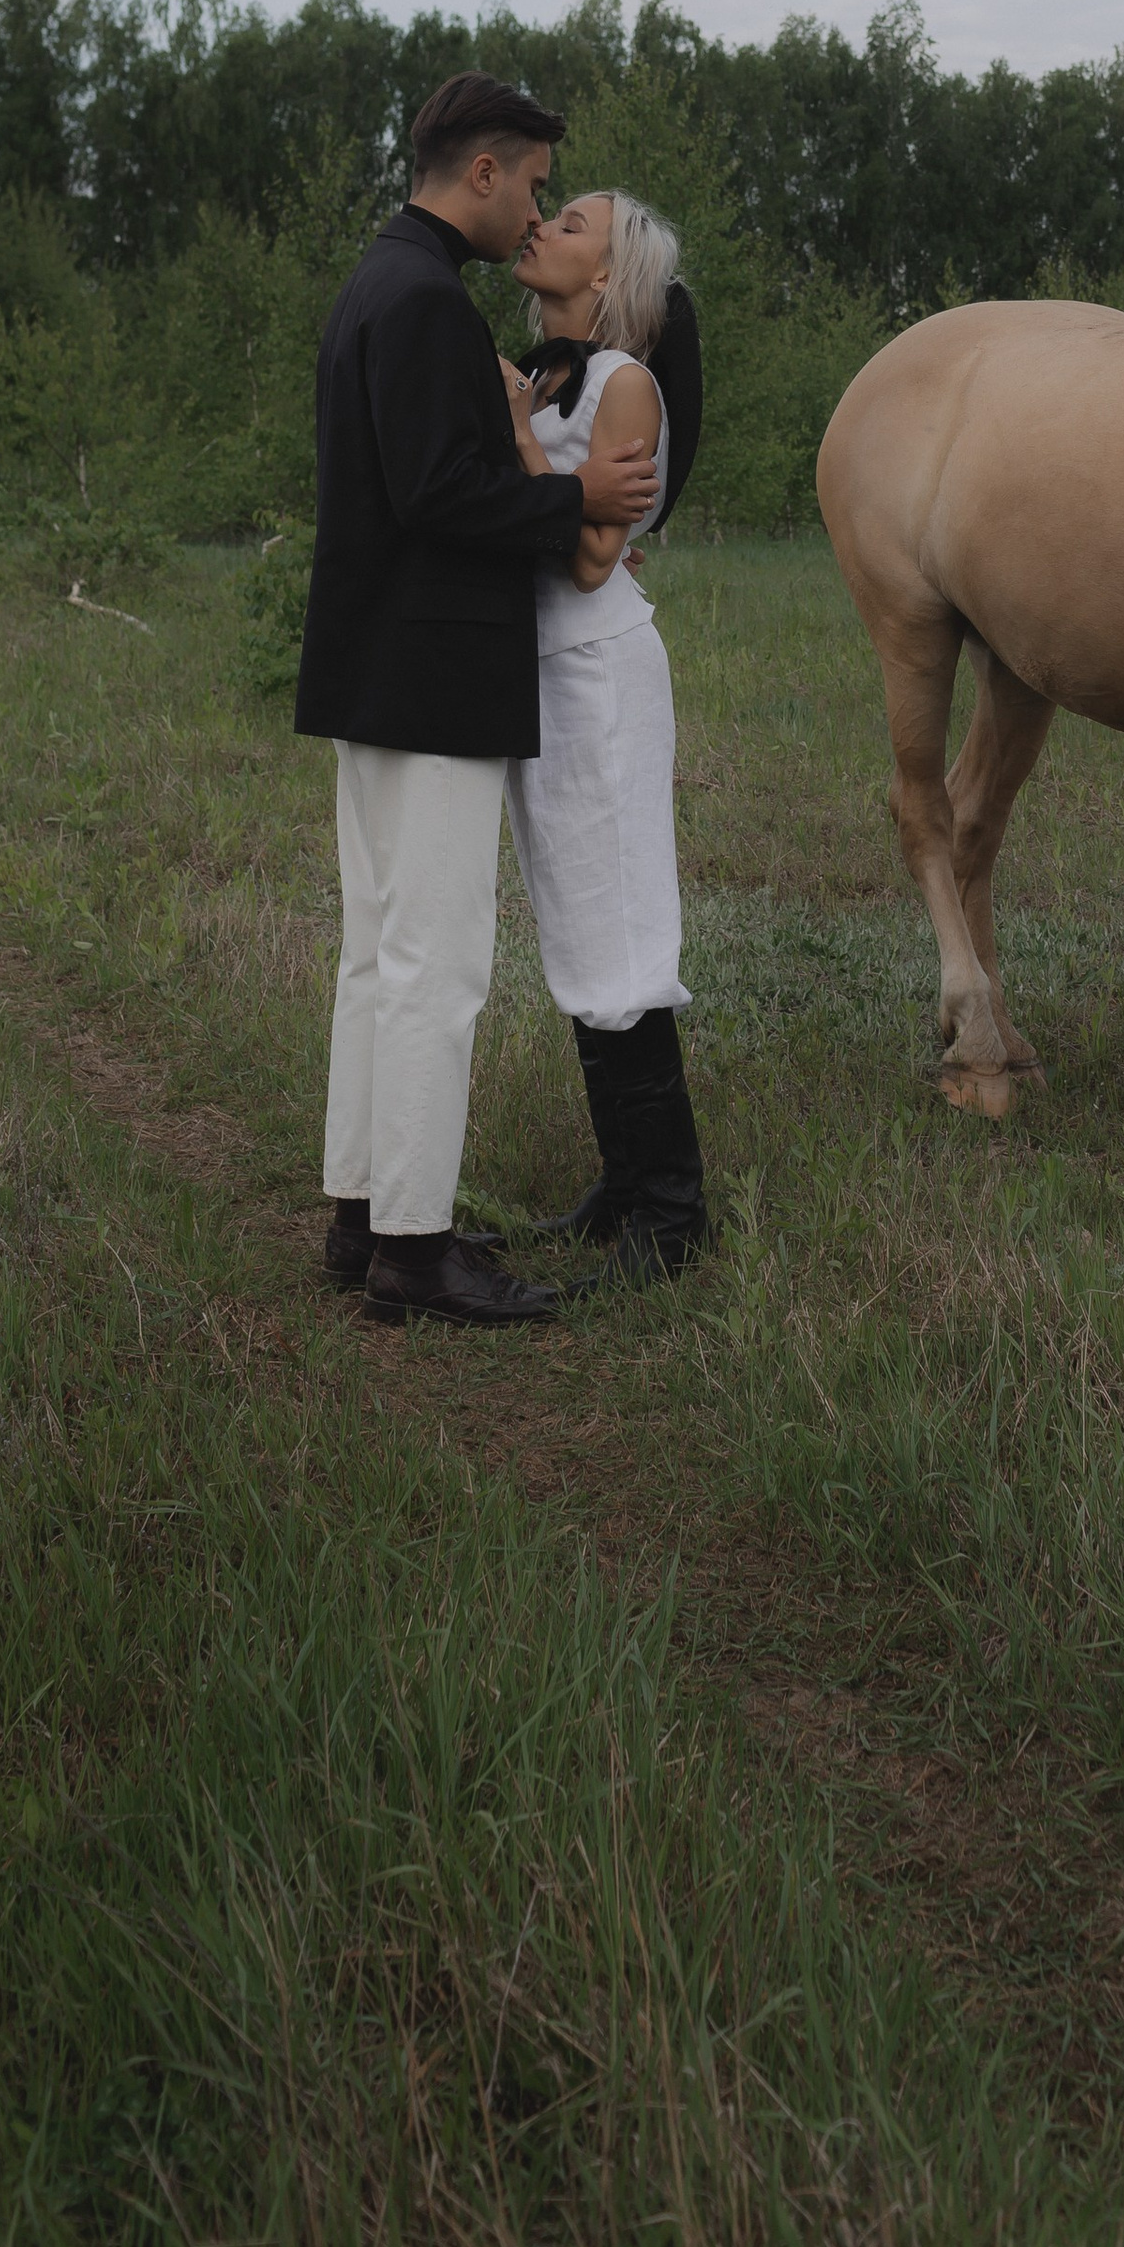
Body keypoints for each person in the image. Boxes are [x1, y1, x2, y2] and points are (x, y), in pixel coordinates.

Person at [294, 76, 661, 1328]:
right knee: (434, 967)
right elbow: (438, 495)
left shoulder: (380, 285)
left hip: (379, 671)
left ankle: (362, 1215)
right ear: (486, 173)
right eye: (539, 182)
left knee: (378, 956)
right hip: (434, 677)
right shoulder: (426, 305)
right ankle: (414, 1248)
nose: (540, 207)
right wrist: (580, 502)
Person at [500, 188, 712, 1279]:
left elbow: (588, 560)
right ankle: (626, 1187)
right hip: (543, 673)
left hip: (598, 672)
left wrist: (518, 447)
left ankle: (672, 1218)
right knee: (580, 924)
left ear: (605, 276)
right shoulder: (541, 376)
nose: (541, 226)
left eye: (570, 223)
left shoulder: (624, 385)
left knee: (621, 920)